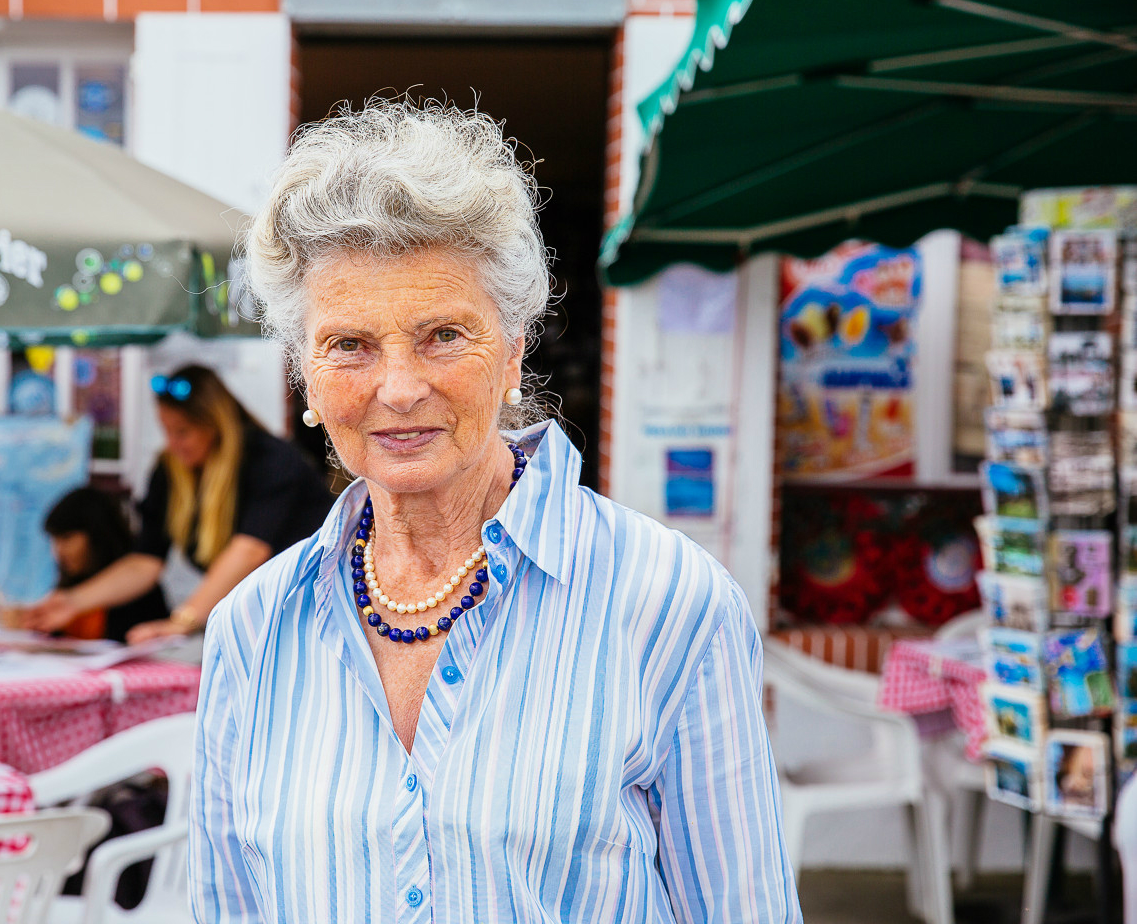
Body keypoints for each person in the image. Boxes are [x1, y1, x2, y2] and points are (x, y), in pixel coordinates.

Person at [189, 101, 800, 922]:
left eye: (443, 334)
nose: (399, 388)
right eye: (350, 345)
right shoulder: (252, 631)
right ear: (304, 373)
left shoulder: (668, 603)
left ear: (513, 349)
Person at [25, 365, 336, 644]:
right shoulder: (170, 471)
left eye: (182, 432)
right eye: (166, 430)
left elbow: (250, 551)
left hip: (312, 612)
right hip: (254, 619)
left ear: (215, 424)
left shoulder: (272, 460)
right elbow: (144, 562)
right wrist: (72, 602)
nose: (172, 444)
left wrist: (183, 621)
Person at [42, 485, 168, 641]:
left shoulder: (134, 588)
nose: (58, 551)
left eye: (67, 538)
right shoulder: (68, 585)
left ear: (98, 535)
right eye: (55, 540)